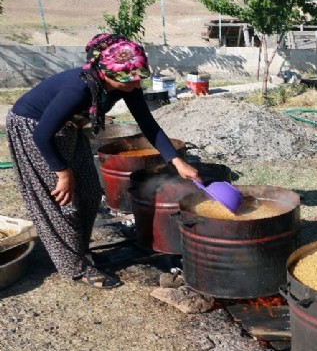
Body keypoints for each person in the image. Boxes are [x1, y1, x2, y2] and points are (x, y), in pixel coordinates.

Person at [6, 33, 200, 289]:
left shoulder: (126, 85)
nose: (135, 83)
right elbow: (43, 134)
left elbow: (148, 125)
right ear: (107, 74)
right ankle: (75, 267)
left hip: (69, 128)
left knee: (89, 190)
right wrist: (63, 172)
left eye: (138, 77)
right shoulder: (78, 89)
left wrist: (176, 161)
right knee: (62, 201)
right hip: (35, 130)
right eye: (129, 79)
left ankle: (80, 251)